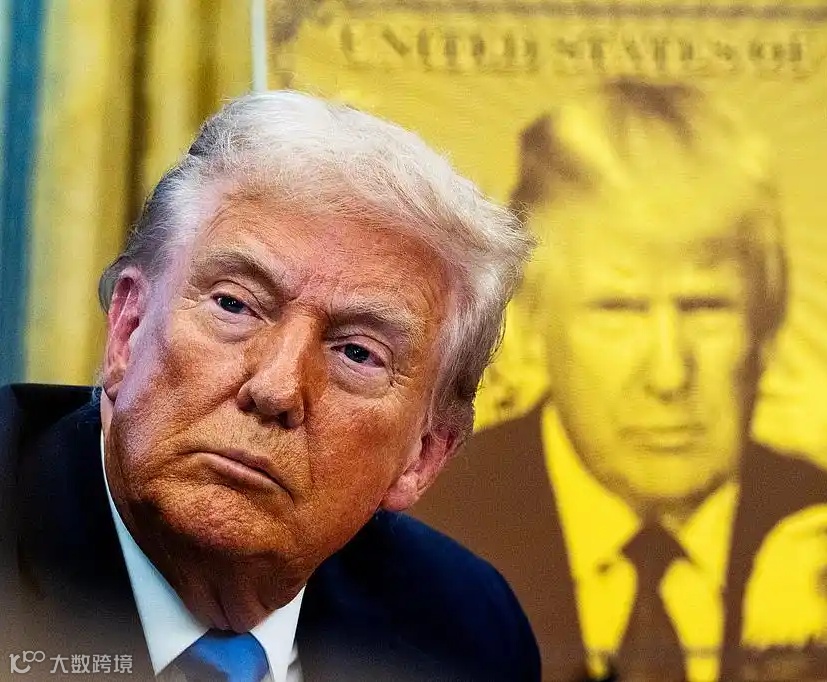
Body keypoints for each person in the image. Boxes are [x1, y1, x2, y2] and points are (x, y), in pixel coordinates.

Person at [413, 80, 827, 682]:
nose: (668, 375)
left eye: (706, 306)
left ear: (768, 319)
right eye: (619, 309)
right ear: (533, 320)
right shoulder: (415, 535)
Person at [0, 91, 540, 681]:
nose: (277, 388)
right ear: (128, 328)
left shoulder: (466, 636)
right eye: (234, 305)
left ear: (423, 455)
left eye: (357, 353)